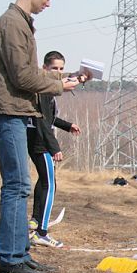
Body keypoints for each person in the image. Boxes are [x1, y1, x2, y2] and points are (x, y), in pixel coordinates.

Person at [0, 0, 88, 273]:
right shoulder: (12, 24)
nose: (49, 3)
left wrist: (65, 77)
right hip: (7, 112)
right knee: (17, 185)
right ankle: (10, 258)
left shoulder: (19, 23)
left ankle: (20, 254)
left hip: (14, 111)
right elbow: (22, 77)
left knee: (20, 185)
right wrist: (59, 85)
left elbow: (29, 72)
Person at [27, 51, 81, 248]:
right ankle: (41, 233)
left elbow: (49, 118)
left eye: (61, 68)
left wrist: (67, 125)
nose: (58, 72)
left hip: (39, 139)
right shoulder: (42, 90)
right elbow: (41, 121)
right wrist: (54, 147)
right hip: (39, 141)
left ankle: (35, 220)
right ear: (44, 69)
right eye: (54, 68)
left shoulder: (47, 91)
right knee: (50, 185)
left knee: (44, 180)